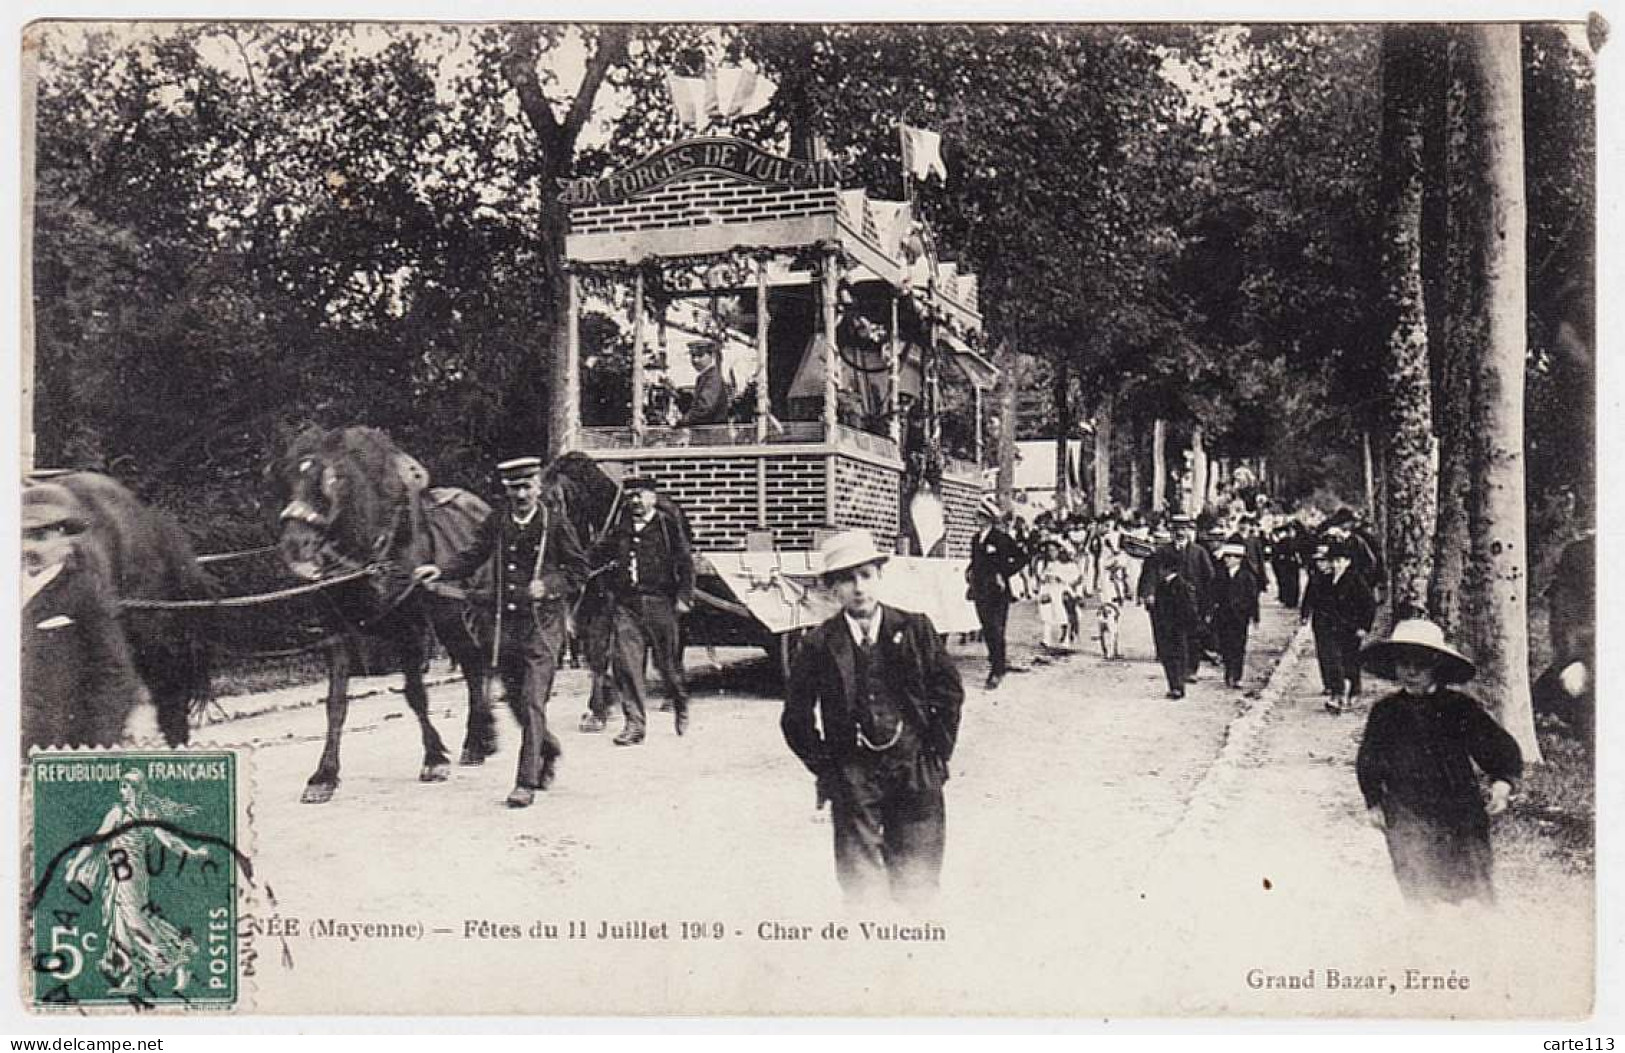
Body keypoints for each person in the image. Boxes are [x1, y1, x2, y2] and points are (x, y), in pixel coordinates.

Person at [781, 529, 964, 906]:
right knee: (861, 887)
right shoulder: (818, 644)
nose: (858, 588)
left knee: (918, 880)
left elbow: (949, 695)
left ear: (880, 576)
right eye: (846, 579)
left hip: (914, 768)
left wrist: (935, 758)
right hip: (853, 775)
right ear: (832, 589)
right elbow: (795, 718)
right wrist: (829, 770)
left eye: (865, 575)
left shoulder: (915, 629)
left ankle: (916, 955)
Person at [414, 456, 586, 807]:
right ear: (506, 490)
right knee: (516, 699)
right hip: (506, 624)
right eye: (513, 488)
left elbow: (579, 571)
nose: (521, 494)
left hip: (543, 623)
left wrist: (549, 585)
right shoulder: (499, 521)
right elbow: (473, 555)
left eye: (527, 486)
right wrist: (440, 571)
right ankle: (548, 749)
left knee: (533, 699)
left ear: (538, 487)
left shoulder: (555, 523)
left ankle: (526, 781)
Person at [1356, 619, 1522, 906]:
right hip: (1406, 810)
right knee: (1418, 883)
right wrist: (1374, 801)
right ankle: (1427, 941)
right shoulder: (1385, 712)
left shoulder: (1459, 707)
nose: (1411, 671)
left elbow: (1497, 747)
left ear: (1436, 665)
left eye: (1420, 663)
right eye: (1403, 663)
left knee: (1472, 889)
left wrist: (1502, 782)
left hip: (1459, 809)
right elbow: (1369, 760)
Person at [21, 483, 148, 755]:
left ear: (66, 542)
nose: (26, 547)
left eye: (40, 537)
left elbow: (114, 674)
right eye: (20, 536)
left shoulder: (84, 593)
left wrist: (93, 753)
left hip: (54, 748)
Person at [64, 772, 209, 995]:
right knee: (119, 924)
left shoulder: (140, 814)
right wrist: (75, 866)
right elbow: (96, 841)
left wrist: (191, 853)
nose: (122, 791)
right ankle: (129, 979)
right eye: (121, 787)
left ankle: (179, 959)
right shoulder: (118, 813)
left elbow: (169, 840)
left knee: (135, 920)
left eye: (125, 787)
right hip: (118, 875)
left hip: (132, 876)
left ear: (136, 789)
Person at [603, 476, 695, 745]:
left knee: (667, 666)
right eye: (630, 496)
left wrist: (684, 598)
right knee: (627, 665)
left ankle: (680, 702)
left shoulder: (667, 526)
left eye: (640, 495)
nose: (635, 501)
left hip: (660, 603)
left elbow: (685, 562)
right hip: (627, 605)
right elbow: (600, 556)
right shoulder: (620, 528)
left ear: (653, 497)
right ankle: (634, 725)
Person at [1300, 541, 1376, 713]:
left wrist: (1364, 626)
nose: (1336, 564)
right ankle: (1337, 694)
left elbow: (1369, 604)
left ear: (1348, 561)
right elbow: (1318, 599)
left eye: (1339, 560)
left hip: (1351, 627)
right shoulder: (1326, 579)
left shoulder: (1356, 579)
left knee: (1350, 660)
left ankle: (1353, 690)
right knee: (1331, 659)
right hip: (1329, 627)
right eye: (1333, 560)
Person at [966, 495, 1029, 690]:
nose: (977, 519)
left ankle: (997, 669)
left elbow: (1022, 557)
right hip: (979, 589)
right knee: (987, 628)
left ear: (988, 519)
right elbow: (977, 561)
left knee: (996, 628)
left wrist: (1004, 574)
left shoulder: (1001, 538)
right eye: (977, 516)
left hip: (997, 590)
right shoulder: (976, 539)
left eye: (981, 516)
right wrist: (969, 571)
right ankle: (996, 659)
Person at [1137, 525, 1200, 699]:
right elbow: (1146, 579)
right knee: (1165, 650)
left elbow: (1193, 595)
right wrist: (1147, 595)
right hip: (1161, 616)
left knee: (1179, 649)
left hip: (1180, 618)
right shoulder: (1153, 563)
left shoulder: (1181, 583)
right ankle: (1174, 683)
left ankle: (1178, 685)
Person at [1211, 540, 1261, 689]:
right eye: (1226, 557)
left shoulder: (1247, 577)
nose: (1227, 560)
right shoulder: (1220, 575)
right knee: (1225, 645)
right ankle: (1228, 672)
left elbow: (1253, 598)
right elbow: (1213, 593)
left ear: (1238, 559)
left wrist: (1255, 616)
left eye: (1230, 557)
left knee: (1238, 646)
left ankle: (1237, 676)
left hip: (1240, 617)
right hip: (1223, 615)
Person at [1033, 538, 1081, 650]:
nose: (1051, 553)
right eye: (1049, 550)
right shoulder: (1042, 563)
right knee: (1046, 614)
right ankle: (1046, 639)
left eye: (1054, 550)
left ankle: (1066, 639)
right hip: (1047, 589)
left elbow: (1076, 576)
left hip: (1061, 590)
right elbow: (1038, 576)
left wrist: (1062, 578)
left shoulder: (1065, 564)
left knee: (1063, 615)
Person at [680, 339, 732, 427]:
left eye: (700, 356)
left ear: (711, 355)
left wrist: (682, 421)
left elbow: (704, 408)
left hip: (712, 436)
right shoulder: (703, 377)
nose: (695, 360)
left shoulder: (713, 378)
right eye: (693, 356)